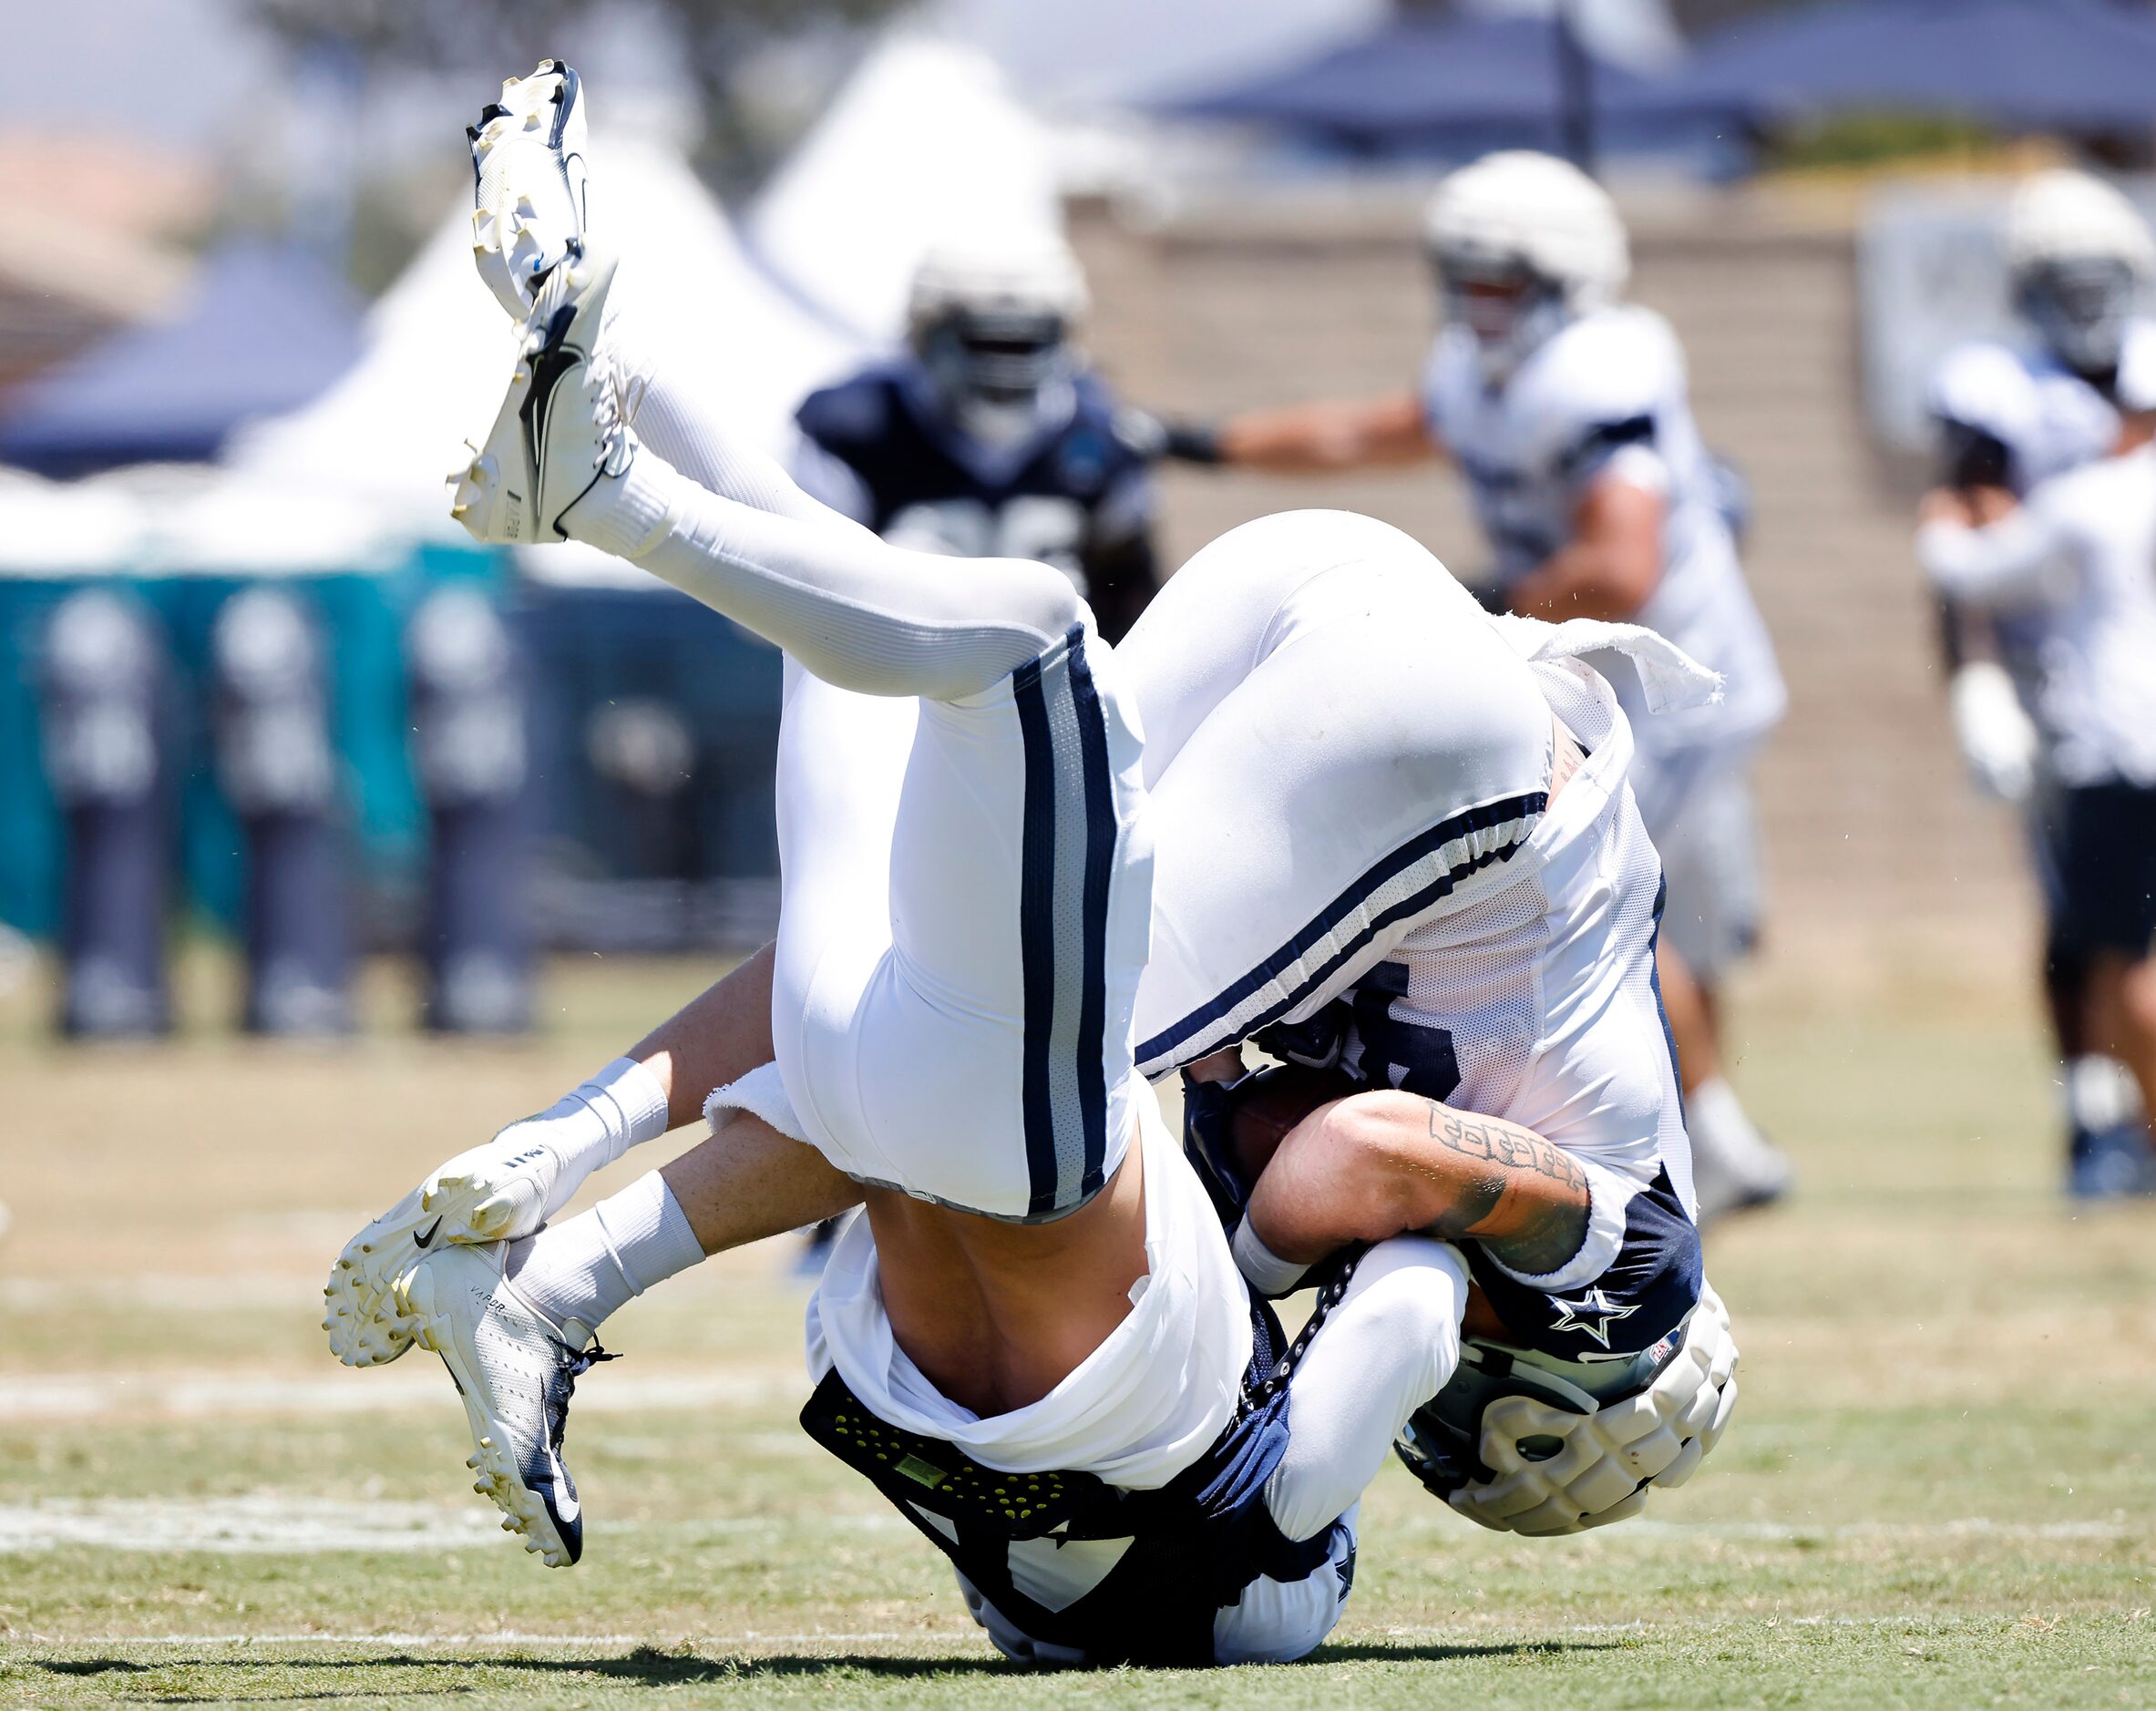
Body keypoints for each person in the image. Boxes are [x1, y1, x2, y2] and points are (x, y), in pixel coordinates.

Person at [327, 66, 1738, 1667]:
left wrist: (556, 1140)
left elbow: (845, 1025)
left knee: (908, 971)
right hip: (1446, 778)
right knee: (998, 975)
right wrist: (1259, 1356)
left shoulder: (1523, 1230)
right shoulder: (1620, 1282)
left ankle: (618, 373)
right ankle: (616, 491)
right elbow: (1372, 1162)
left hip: (1345, 643)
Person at [1161, 151, 1789, 1224]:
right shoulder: (1476, 372)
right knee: (1647, 916)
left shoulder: (1597, 371)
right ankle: (1708, 1133)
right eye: (1467, 275)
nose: (1479, 301)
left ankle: (1710, 1136)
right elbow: (1366, 432)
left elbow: (1624, 565)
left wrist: (1478, 612)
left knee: (1616, 911)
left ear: (1568, 275)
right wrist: (1202, 444)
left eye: (1503, 278)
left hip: (1656, 676)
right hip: (1584, 669)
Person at [1918, 168, 2156, 1196]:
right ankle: (2093, 1110)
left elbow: (1952, 548)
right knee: (2085, 917)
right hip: (2060, 686)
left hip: (2121, 676)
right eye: (2063, 278)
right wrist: (1972, 681)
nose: (2086, 300)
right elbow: (1963, 548)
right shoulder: (2000, 391)